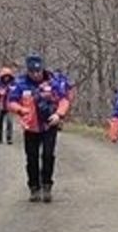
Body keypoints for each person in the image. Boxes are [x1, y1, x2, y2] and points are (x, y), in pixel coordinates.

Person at [6, 54, 72, 203]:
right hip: (30, 127)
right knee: (32, 158)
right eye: (32, 72)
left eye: (38, 71)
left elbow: (64, 100)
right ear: (28, 70)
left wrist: (59, 114)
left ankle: (47, 185)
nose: (36, 74)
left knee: (48, 155)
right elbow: (11, 102)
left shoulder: (53, 82)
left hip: (49, 125)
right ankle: (34, 187)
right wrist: (20, 109)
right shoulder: (20, 83)